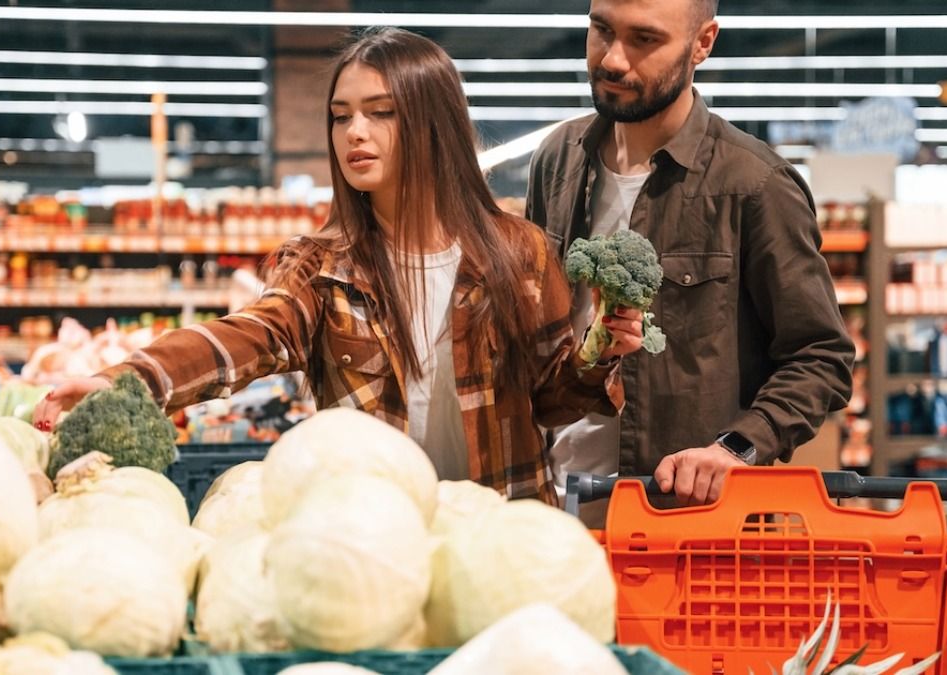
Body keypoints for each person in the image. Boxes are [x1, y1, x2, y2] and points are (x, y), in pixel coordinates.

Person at [34, 27, 645, 505]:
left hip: (501, 528)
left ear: (433, 123)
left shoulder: (523, 253)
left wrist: (600, 353)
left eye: (381, 112)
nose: (355, 132)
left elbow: (554, 401)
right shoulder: (320, 267)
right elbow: (251, 334)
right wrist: (130, 380)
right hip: (369, 534)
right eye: (341, 114)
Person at [526, 0, 854, 508]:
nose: (612, 59)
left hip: (685, 522)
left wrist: (738, 449)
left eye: (644, 40)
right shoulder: (558, 160)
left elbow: (821, 357)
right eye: (601, 30)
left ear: (703, 43)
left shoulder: (754, 185)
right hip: (554, 502)